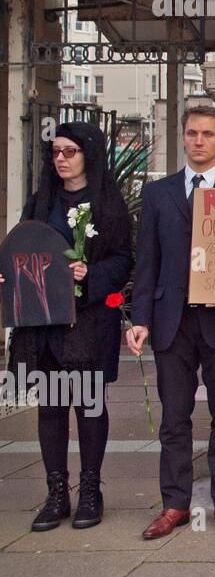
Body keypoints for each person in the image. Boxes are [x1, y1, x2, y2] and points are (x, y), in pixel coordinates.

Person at [126, 104, 215, 539]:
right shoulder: (158, 194)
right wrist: (139, 318)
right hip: (170, 321)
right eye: (191, 133)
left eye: (207, 134)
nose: (198, 140)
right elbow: (146, 263)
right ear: (183, 138)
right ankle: (175, 505)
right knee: (174, 419)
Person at [2, 123, 132, 531]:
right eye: (56, 151)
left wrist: (89, 273)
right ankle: (56, 492)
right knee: (52, 405)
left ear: (88, 155)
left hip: (89, 321)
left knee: (89, 404)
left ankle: (90, 490)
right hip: (44, 322)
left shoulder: (108, 205)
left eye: (70, 151)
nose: (61, 158)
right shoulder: (41, 203)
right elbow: (22, 247)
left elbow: (125, 259)